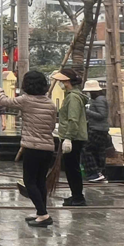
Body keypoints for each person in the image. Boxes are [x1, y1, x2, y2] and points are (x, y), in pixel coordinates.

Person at [0, 71, 58, 227]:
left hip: (32, 147)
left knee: (29, 182)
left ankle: (43, 215)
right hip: (48, 147)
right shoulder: (50, 103)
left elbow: (4, 102)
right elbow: (51, 126)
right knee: (40, 182)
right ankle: (40, 212)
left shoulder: (26, 100)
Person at [52, 68, 89, 206]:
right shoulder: (71, 95)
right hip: (72, 136)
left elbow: (73, 119)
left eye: (61, 81)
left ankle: (78, 197)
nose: (60, 83)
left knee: (73, 168)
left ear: (67, 81)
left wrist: (68, 137)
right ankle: (75, 195)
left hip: (73, 138)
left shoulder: (73, 97)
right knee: (70, 168)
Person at [81, 80, 112, 183]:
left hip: (97, 129)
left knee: (86, 149)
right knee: (99, 151)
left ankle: (93, 173)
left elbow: (102, 115)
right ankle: (101, 173)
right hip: (101, 129)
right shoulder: (99, 99)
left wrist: (87, 111)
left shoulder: (99, 100)